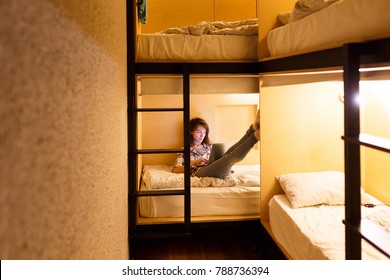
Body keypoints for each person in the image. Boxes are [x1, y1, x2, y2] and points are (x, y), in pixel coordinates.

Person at [172, 110, 260, 179]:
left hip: (215, 168)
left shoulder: (209, 147)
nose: (202, 135)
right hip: (199, 172)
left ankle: (253, 129)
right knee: (228, 159)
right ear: (191, 132)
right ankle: (254, 137)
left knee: (229, 152)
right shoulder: (184, 150)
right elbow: (175, 170)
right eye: (199, 132)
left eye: (204, 132)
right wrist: (195, 162)